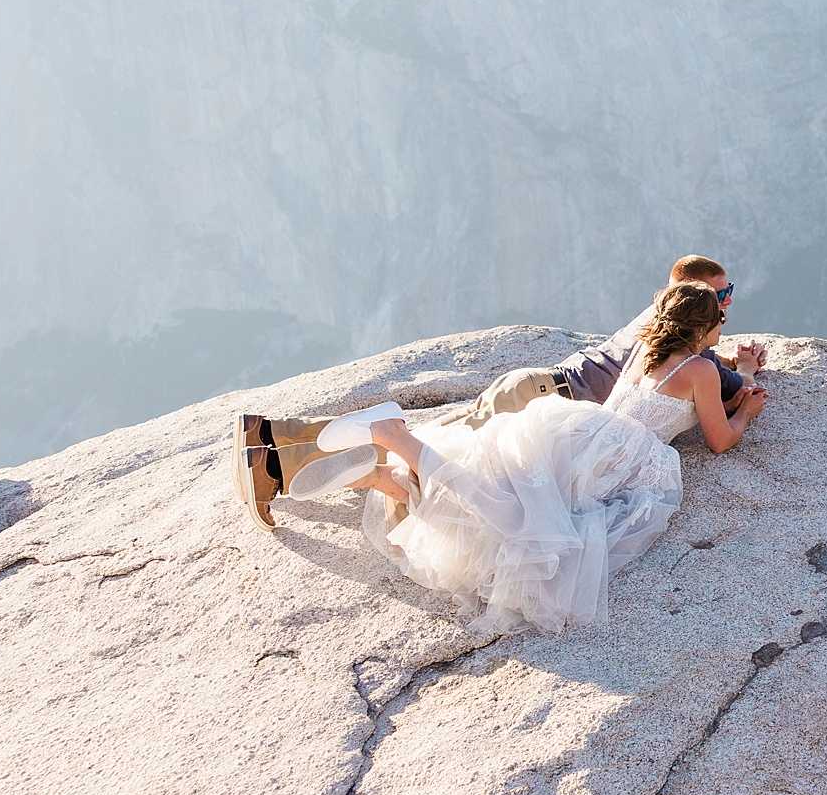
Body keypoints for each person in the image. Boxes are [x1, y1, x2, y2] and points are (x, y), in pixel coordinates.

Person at [341, 279, 766, 635]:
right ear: (702, 328)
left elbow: (688, 402)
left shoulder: (647, 348)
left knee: (508, 494)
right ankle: (398, 438)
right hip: (617, 458)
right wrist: (745, 410)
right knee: (520, 524)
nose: (723, 328)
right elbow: (720, 439)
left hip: (584, 431)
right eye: (720, 320)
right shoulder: (701, 370)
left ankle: (390, 477)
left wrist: (737, 380)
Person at [234, 255, 766, 529]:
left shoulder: (660, 327)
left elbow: (697, 366)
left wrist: (726, 359)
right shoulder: (688, 353)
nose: (727, 304)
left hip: (536, 389)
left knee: (436, 450)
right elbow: (721, 390)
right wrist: (740, 371)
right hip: (542, 400)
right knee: (442, 467)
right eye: (723, 296)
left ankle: (271, 435)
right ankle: (276, 468)